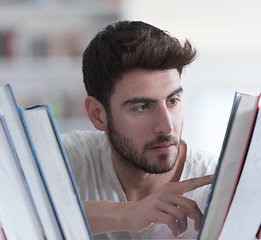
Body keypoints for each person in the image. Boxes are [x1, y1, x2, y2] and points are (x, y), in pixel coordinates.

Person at [61, 20, 218, 239]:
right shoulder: (66, 161)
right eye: (142, 107)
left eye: (172, 100)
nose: (167, 126)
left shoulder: (219, 188)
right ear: (98, 114)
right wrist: (126, 214)